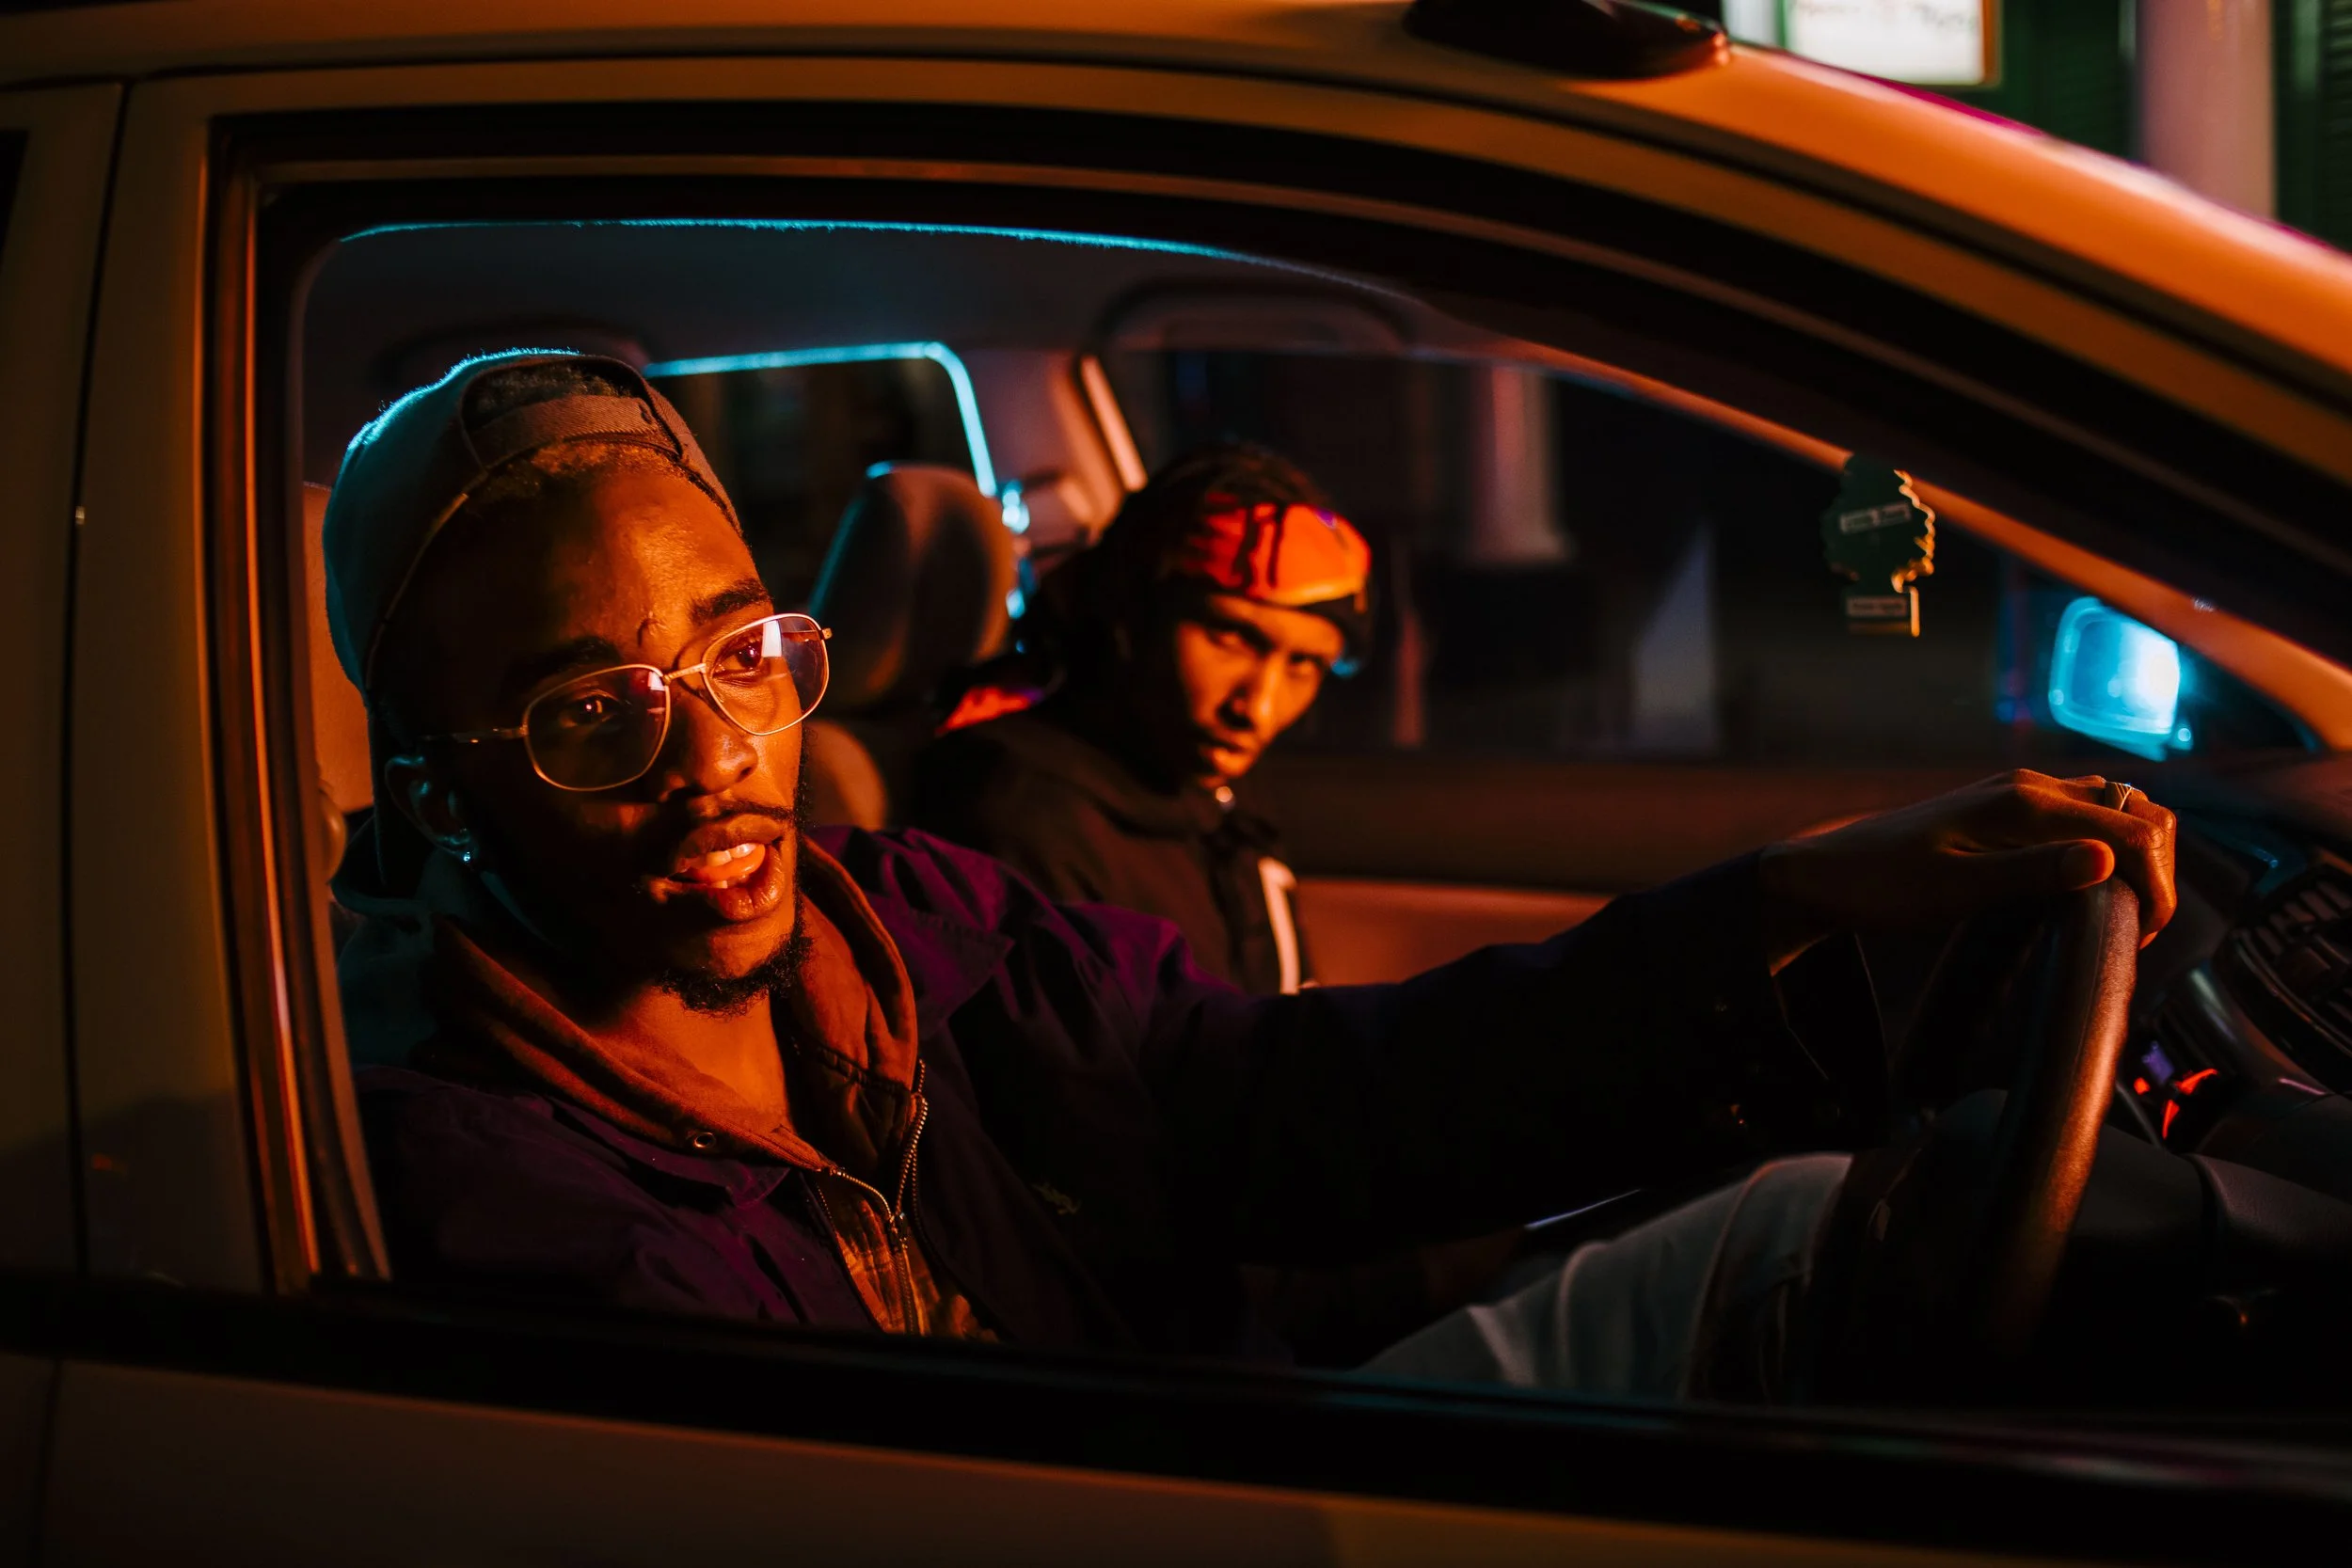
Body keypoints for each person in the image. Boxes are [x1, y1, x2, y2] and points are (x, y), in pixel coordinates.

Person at [329, 351, 2177, 1393]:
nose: (712, 762)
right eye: (589, 713)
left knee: (1825, 1227)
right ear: (430, 795)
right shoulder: (490, 1191)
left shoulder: (901, 919)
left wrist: (1788, 903)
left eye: (743, 658)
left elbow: (1283, 1093)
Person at [911, 443, 1364, 997]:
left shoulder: (1203, 786)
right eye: (1229, 637)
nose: (1258, 708)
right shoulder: (1022, 815)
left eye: (1303, 664)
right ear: (1133, 615)